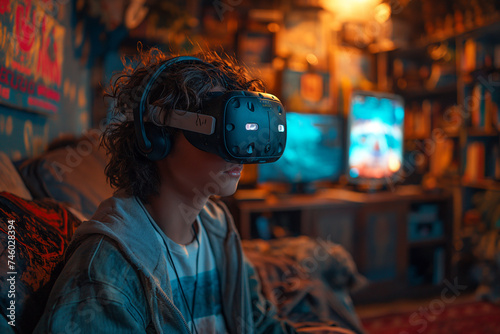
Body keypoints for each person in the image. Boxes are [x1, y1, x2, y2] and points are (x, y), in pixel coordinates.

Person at [34, 48, 296, 333]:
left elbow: (259, 322)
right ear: (158, 138)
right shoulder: (106, 272)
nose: (241, 153)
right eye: (224, 129)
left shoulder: (217, 227)